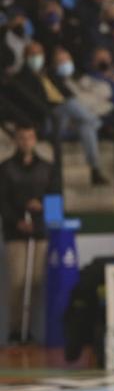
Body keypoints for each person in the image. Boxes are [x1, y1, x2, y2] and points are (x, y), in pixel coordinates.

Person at [0, 125, 58, 344]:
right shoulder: (6, 169)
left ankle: (31, 329)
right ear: (16, 140)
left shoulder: (47, 168)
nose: (26, 142)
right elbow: (2, 201)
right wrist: (16, 221)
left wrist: (41, 207)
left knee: (36, 280)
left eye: (30, 137)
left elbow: (55, 197)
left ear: (35, 140)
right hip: (15, 231)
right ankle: (15, 330)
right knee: (18, 281)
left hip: (40, 230)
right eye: (22, 138)